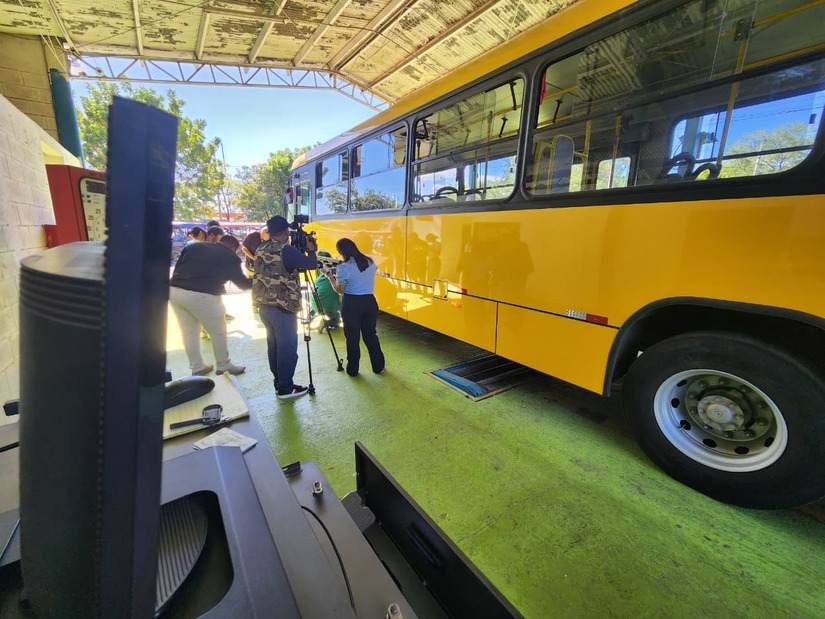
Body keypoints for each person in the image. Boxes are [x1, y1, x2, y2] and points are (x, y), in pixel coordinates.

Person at [253, 215, 318, 400]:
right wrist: (311, 249)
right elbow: (310, 264)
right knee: (287, 349)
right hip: (282, 307)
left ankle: (279, 382)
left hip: (264, 307)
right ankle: (286, 388)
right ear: (284, 233)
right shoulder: (286, 250)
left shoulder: (261, 248)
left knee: (273, 347)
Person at [169, 234, 251, 376]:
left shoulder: (194, 246)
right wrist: (258, 280)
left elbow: (179, 267)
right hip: (203, 295)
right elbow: (242, 284)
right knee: (218, 332)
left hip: (175, 291)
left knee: (189, 332)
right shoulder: (229, 256)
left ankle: (197, 367)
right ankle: (223, 365)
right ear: (232, 247)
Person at [327, 238, 385, 376]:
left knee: (352, 338)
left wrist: (330, 277)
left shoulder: (344, 268)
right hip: (370, 302)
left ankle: (353, 369)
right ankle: (378, 366)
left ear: (341, 252)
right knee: (371, 335)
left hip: (351, 304)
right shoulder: (370, 261)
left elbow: (340, 290)